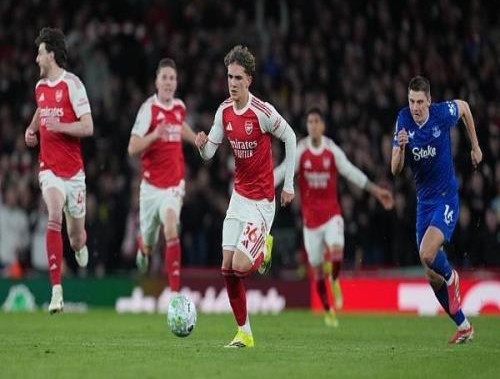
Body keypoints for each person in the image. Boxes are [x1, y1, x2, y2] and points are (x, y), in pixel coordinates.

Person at [195, 45, 296, 348]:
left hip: (262, 203)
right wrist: (202, 145)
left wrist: (288, 185)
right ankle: (244, 333)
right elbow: (209, 153)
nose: (233, 83)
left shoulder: (262, 112)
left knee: (240, 265)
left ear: (249, 80)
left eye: (238, 77)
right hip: (239, 198)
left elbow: (291, 137)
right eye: (229, 77)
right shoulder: (224, 111)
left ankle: (264, 248)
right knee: (226, 268)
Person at [274, 108, 394, 327]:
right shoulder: (301, 151)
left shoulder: (331, 150)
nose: (312, 125)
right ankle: (328, 310)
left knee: (337, 250)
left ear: (323, 126)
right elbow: (282, 171)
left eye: (316, 121)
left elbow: (351, 171)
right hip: (310, 222)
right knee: (318, 270)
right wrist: (260, 186)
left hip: (331, 215)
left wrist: (376, 191)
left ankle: (336, 278)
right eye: (309, 122)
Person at [391, 75, 482, 344]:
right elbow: (395, 170)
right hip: (424, 203)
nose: (415, 107)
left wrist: (475, 146)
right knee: (431, 276)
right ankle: (464, 326)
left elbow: (464, 107)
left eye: (420, 102)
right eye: (411, 101)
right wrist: (401, 149)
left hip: (446, 198)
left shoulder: (442, 114)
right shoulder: (403, 120)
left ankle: (452, 277)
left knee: (428, 253)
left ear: (429, 100)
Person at [25, 27, 93, 313]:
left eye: (40, 52)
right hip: (49, 169)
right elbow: (41, 110)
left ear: (51, 55)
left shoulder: (73, 85)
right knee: (53, 214)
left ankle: (80, 245)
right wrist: (31, 129)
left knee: (76, 238)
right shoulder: (40, 87)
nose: (36, 58)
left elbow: (88, 126)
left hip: (73, 174)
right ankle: (56, 290)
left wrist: (60, 126)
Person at [128, 58, 196, 293]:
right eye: (164, 78)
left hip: (173, 186)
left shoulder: (179, 107)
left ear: (176, 83)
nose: (168, 82)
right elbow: (132, 147)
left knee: (170, 227)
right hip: (150, 188)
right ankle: (143, 248)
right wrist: (154, 136)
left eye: (172, 78)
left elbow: (180, 125)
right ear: (157, 82)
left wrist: (196, 139)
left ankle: (175, 295)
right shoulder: (148, 109)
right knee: (149, 244)